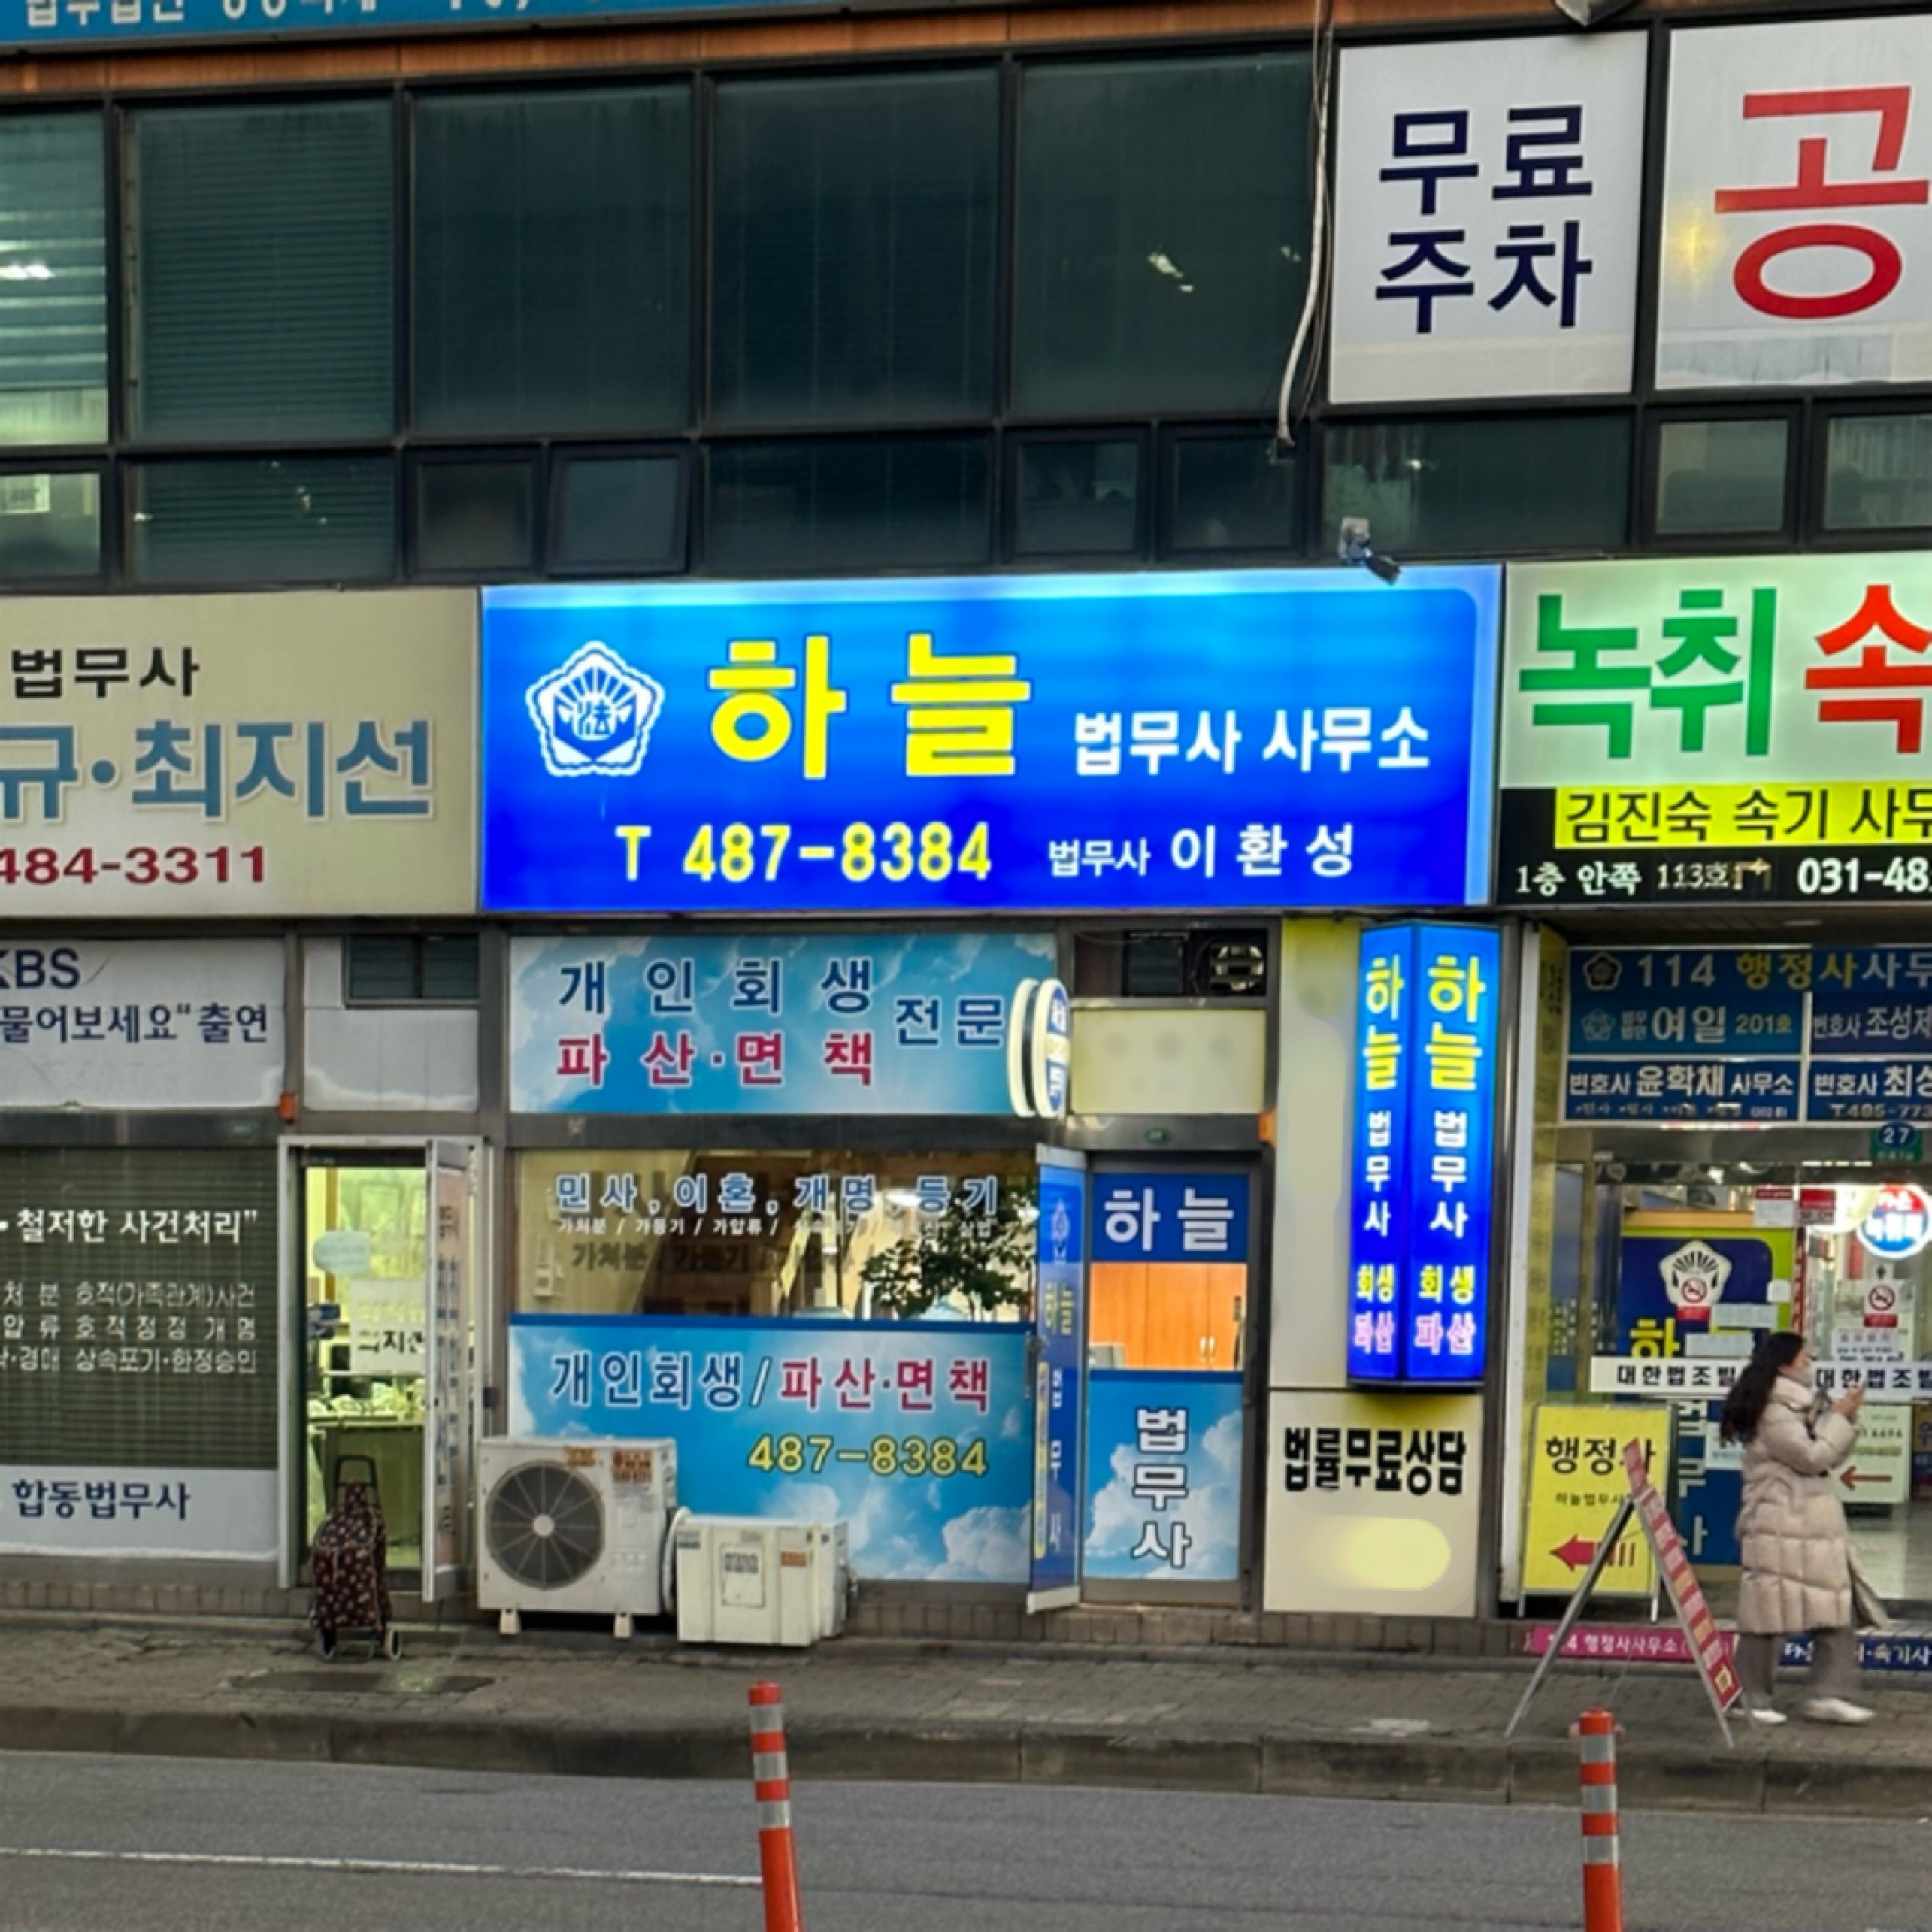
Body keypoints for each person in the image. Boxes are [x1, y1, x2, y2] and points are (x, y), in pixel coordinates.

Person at [1718, 1331, 1873, 1726]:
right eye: (1806, 1358)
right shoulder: (1774, 1408)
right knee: (1767, 1612)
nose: (1811, 1364)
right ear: (1785, 1364)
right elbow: (1811, 1456)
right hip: (1778, 1521)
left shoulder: (1801, 1403)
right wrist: (1840, 1419)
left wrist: (1843, 1419)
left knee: (1834, 1609)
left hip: (1810, 1524)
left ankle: (1828, 1693)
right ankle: (1751, 1697)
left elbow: (1827, 1455)